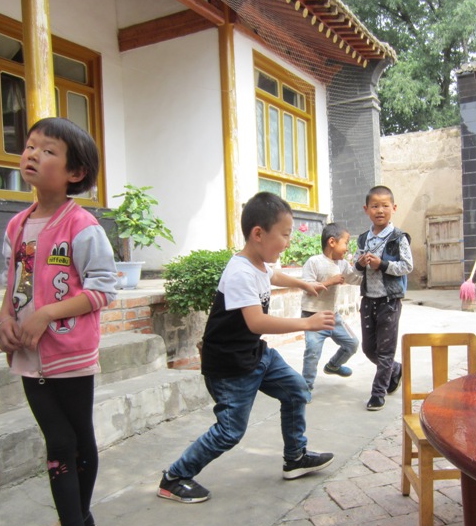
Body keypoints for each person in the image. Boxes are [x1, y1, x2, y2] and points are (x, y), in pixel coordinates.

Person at [0, 117, 117, 526]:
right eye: (29, 146)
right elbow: (11, 282)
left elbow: (105, 287)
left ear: (74, 172)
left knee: (71, 441)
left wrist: (46, 314)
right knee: (63, 442)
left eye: (47, 151)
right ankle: (77, 519)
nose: (32, 154)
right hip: (27, 355)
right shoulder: (16, 224)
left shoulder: (83, 226)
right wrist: (4, 317)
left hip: (69, 353)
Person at [157, 192, 335, 504]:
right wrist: (306, 323)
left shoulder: (259, 263)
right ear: (258, 234)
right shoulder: (239, 271)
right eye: (284, 234)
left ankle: (295, 458)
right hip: (229, 367)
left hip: (254, 355)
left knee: (296, 390)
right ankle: (174, 477)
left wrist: (301, 284)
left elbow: (272, 274)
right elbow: (256, 322)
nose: (288, 242)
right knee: (229, 432)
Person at [354, 185, 413, 411]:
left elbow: (407, 266)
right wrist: (359, 265)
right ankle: (395, 370)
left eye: (385, 206)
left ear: (394, 208)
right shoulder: (362, 240)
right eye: (375, 206)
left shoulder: (398, 238)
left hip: (390, 300)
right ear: (366, 209)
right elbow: (356, 267)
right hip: (368, 299)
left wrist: (383, 264)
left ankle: (378, 393)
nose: (380, 210)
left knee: (386, 350)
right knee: (370, 349)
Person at [300, 223, 362, 392]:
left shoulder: (342, 264)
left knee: (352, 343)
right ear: (332, 242)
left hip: (332, 316)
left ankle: (334, 366)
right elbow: (307, 287)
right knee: (312, 352)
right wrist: (330, 281)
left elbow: (354, 279)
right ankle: (305, 388)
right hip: (312, 317)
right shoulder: (314, 262)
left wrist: (369, 272)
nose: (347, 248)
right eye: (346, 243)